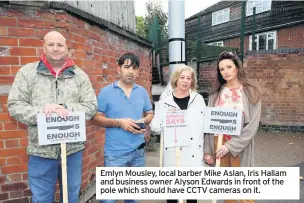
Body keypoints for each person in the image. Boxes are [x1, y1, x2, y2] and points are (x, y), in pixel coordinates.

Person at [7, 31, 97, 203]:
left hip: (72, 151)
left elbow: (91, 106)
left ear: (66, 49)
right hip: (40, 152)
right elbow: (15, 106)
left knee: (70, 198)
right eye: (51, 44)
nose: (56, 49)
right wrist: (42, 111)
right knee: (41, 199)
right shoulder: (27, 73)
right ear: (44, 47)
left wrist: (65, 109)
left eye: (60, 45)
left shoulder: (80, 76)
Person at [92, 53, 154, 203]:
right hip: (115, 154)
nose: (130, 71)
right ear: (118, 69)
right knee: (108, 200)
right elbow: (95, 118)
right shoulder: (106, 92)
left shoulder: (142, 91)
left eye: (134, 68)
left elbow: (150, 113)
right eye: (126, 67)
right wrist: (119, 123)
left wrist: (143, 121)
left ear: (138, 71)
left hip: (138, 151)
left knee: (132, 198)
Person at [203, 51, 261, 203]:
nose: (226, 71)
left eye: (229, 67)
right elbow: (209, 124)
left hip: (240, 146)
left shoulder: (251, 91)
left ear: (237, 67)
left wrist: (230, 146)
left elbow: (253, 125)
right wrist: (208, 150)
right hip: (219, 145)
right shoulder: (215, 94)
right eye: (222, 69)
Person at [151, 64, 206, 203]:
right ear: (176, 79)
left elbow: (205, 125)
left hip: (193, 152)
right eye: (182, 77)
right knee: (173, 196)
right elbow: (156, 127)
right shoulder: (165, 102)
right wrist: (163, 121)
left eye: (189, 78)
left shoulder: (198, 99)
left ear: (192, 81)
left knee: (192, 196)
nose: (185, 81)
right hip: (173, 153)